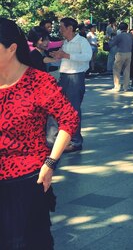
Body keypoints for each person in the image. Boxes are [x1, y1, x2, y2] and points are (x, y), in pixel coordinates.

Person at [0, 18, 80, 250]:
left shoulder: (38, 82)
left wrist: (51, 162)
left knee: (28, 242)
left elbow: (69, 119)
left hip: (27, 178)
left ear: (12, 48)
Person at [49, 17, 93, 152]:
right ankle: (62, 138)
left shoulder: (81, 41)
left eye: (62, 27)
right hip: (64, 76)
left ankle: (76, 141)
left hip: (75, 77)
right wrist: (58, 55)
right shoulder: (65, 42)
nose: (60, 30)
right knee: (60, 108)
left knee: (73, 109)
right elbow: (64, 57)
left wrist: (67, 55)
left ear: (70, 28)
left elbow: (87, 57)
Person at [108, 22, 133, 92]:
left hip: (120, 53)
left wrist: (109, 40)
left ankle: (117, 87)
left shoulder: (119, 36)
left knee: (116, 70)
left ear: (120, 28)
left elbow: (111, 44)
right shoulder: (130, 35)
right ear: (127, 28)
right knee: (127, 70)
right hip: (129, 53)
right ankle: (126, 87)